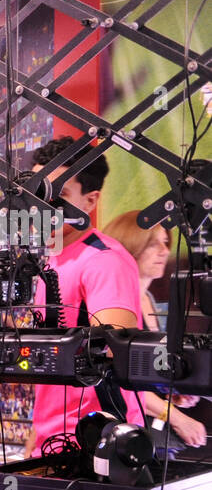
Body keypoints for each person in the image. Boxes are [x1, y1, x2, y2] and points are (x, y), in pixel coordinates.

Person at [26, 137, 146, 455]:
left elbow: (116, 354)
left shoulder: (104, 260)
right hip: (52, 445)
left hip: (95, 451)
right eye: (38, 192)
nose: (41, 206)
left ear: (90, 202)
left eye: (58, 195)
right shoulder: (50, 259)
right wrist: (35, 440)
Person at [101, 211, 208, 448]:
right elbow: (120, 377)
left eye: (165, 242)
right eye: (153, 244)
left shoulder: (149, 299)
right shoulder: (115, 304)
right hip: (120, 429)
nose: (164, 251)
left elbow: (146, 371)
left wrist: (172, 389)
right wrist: (178, 418)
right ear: (129, 245)